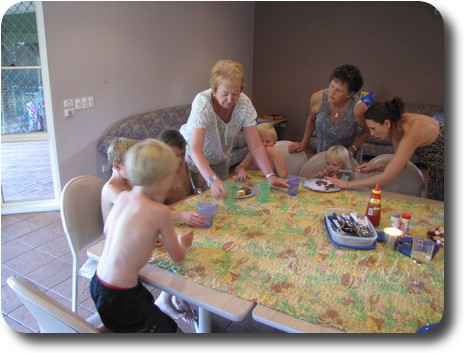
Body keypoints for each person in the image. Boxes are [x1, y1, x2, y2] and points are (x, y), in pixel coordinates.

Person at [90, 139, 194, 333]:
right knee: (168, 329)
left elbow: (111, 232)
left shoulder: (122, 198)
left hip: (98, 283)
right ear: (162, 180)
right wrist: (183, 242)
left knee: (118, 321)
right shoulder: (160, 212)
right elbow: (178, 257)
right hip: (122, 294)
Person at [180, 59, 289, 199]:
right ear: (214, 90)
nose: (231, 99)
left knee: (226, 199)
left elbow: (255, 145)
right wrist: (212, 179)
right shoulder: (202, 103)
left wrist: (270, 175)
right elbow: (196, 149)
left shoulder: (244, 103)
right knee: (206, 199)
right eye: (225, 94)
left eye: (235, 93)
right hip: (197, 161)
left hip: (221, 157)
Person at [327, 97, 444, 201]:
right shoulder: (396, 127)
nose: (372, 134)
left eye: (373, 128)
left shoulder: (413, 131)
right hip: (436, 168)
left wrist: (348, 184)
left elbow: (387, 178)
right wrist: (376, 167)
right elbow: (400, 164)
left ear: (387, 123)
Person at [287, 64, 370, 164]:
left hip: (346, 158)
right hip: (323, 155)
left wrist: (352, 149)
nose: (332, 92)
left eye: (338, 90)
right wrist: (304, 143)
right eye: (331, 86)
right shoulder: (317, 98)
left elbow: (367, 131)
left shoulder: (359, 108)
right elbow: (311, 120)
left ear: (350, 94)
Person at [101, 137, 137, 222]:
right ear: (117, 166)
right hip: (116, 234)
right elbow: (134, 209)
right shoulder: (111, 189)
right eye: (133, 166)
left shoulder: (130, 181)